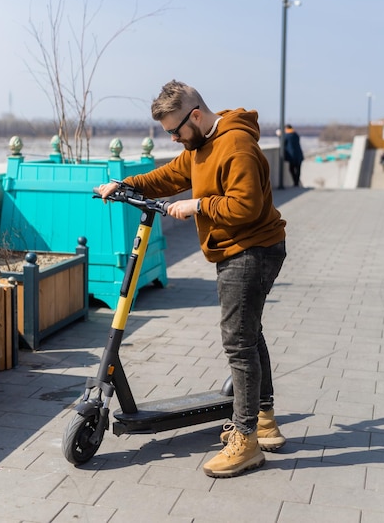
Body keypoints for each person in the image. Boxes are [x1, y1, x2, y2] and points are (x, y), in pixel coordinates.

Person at [99, 80, 287, 478]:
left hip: (251, 249)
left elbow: (247, 207)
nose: (172, 139)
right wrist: (125, 185)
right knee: (249, 333)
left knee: (238, 343)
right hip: (238, 248)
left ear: (196, 116)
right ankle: (265, 418)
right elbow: (169, 176)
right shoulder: (200, 145)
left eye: (175, 130)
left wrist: (197, 204)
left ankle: (246, 439)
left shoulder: (236, 146)